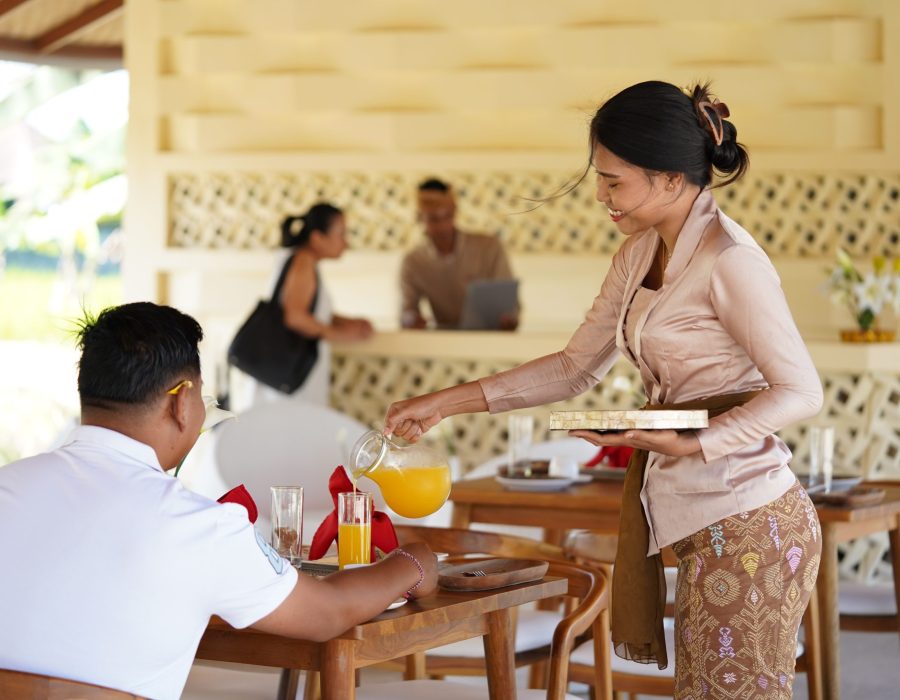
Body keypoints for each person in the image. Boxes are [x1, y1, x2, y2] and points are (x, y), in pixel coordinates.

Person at [385, 81, 823, 698]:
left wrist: (696, 441)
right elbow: (574, 367)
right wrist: (441, 404)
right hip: (694, 513)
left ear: (671, 179)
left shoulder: (730, 260)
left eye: (615, 181)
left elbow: (801, 391)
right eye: (600, 177)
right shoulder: (639, 252)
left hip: (751, 518)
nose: (601, 196)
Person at [0, 302, 436, 700]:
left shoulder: (9, 487)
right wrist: (413, 563)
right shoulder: (198, 525)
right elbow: (326, 614)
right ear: (182, 403)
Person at [250, 203, 374, 406]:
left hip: (286, 375)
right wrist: (344, 335)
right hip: (290, 377)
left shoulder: (300, 259)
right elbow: (295, 317)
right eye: (341, 234)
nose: (345, 242)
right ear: (317, 238)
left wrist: (347, 322)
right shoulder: (303, 262)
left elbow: (310, 310)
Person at [400, 177, 519, 330]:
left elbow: (509, 306)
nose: (442, 225)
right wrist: (412, 320)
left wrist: (508, 318)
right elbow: (407, 312)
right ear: (420, 219)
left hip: (492, 341)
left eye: (447, 216)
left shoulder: (489, 247)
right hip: (445, 346)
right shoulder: (413, 262)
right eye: (433, 219)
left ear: (454, 212)